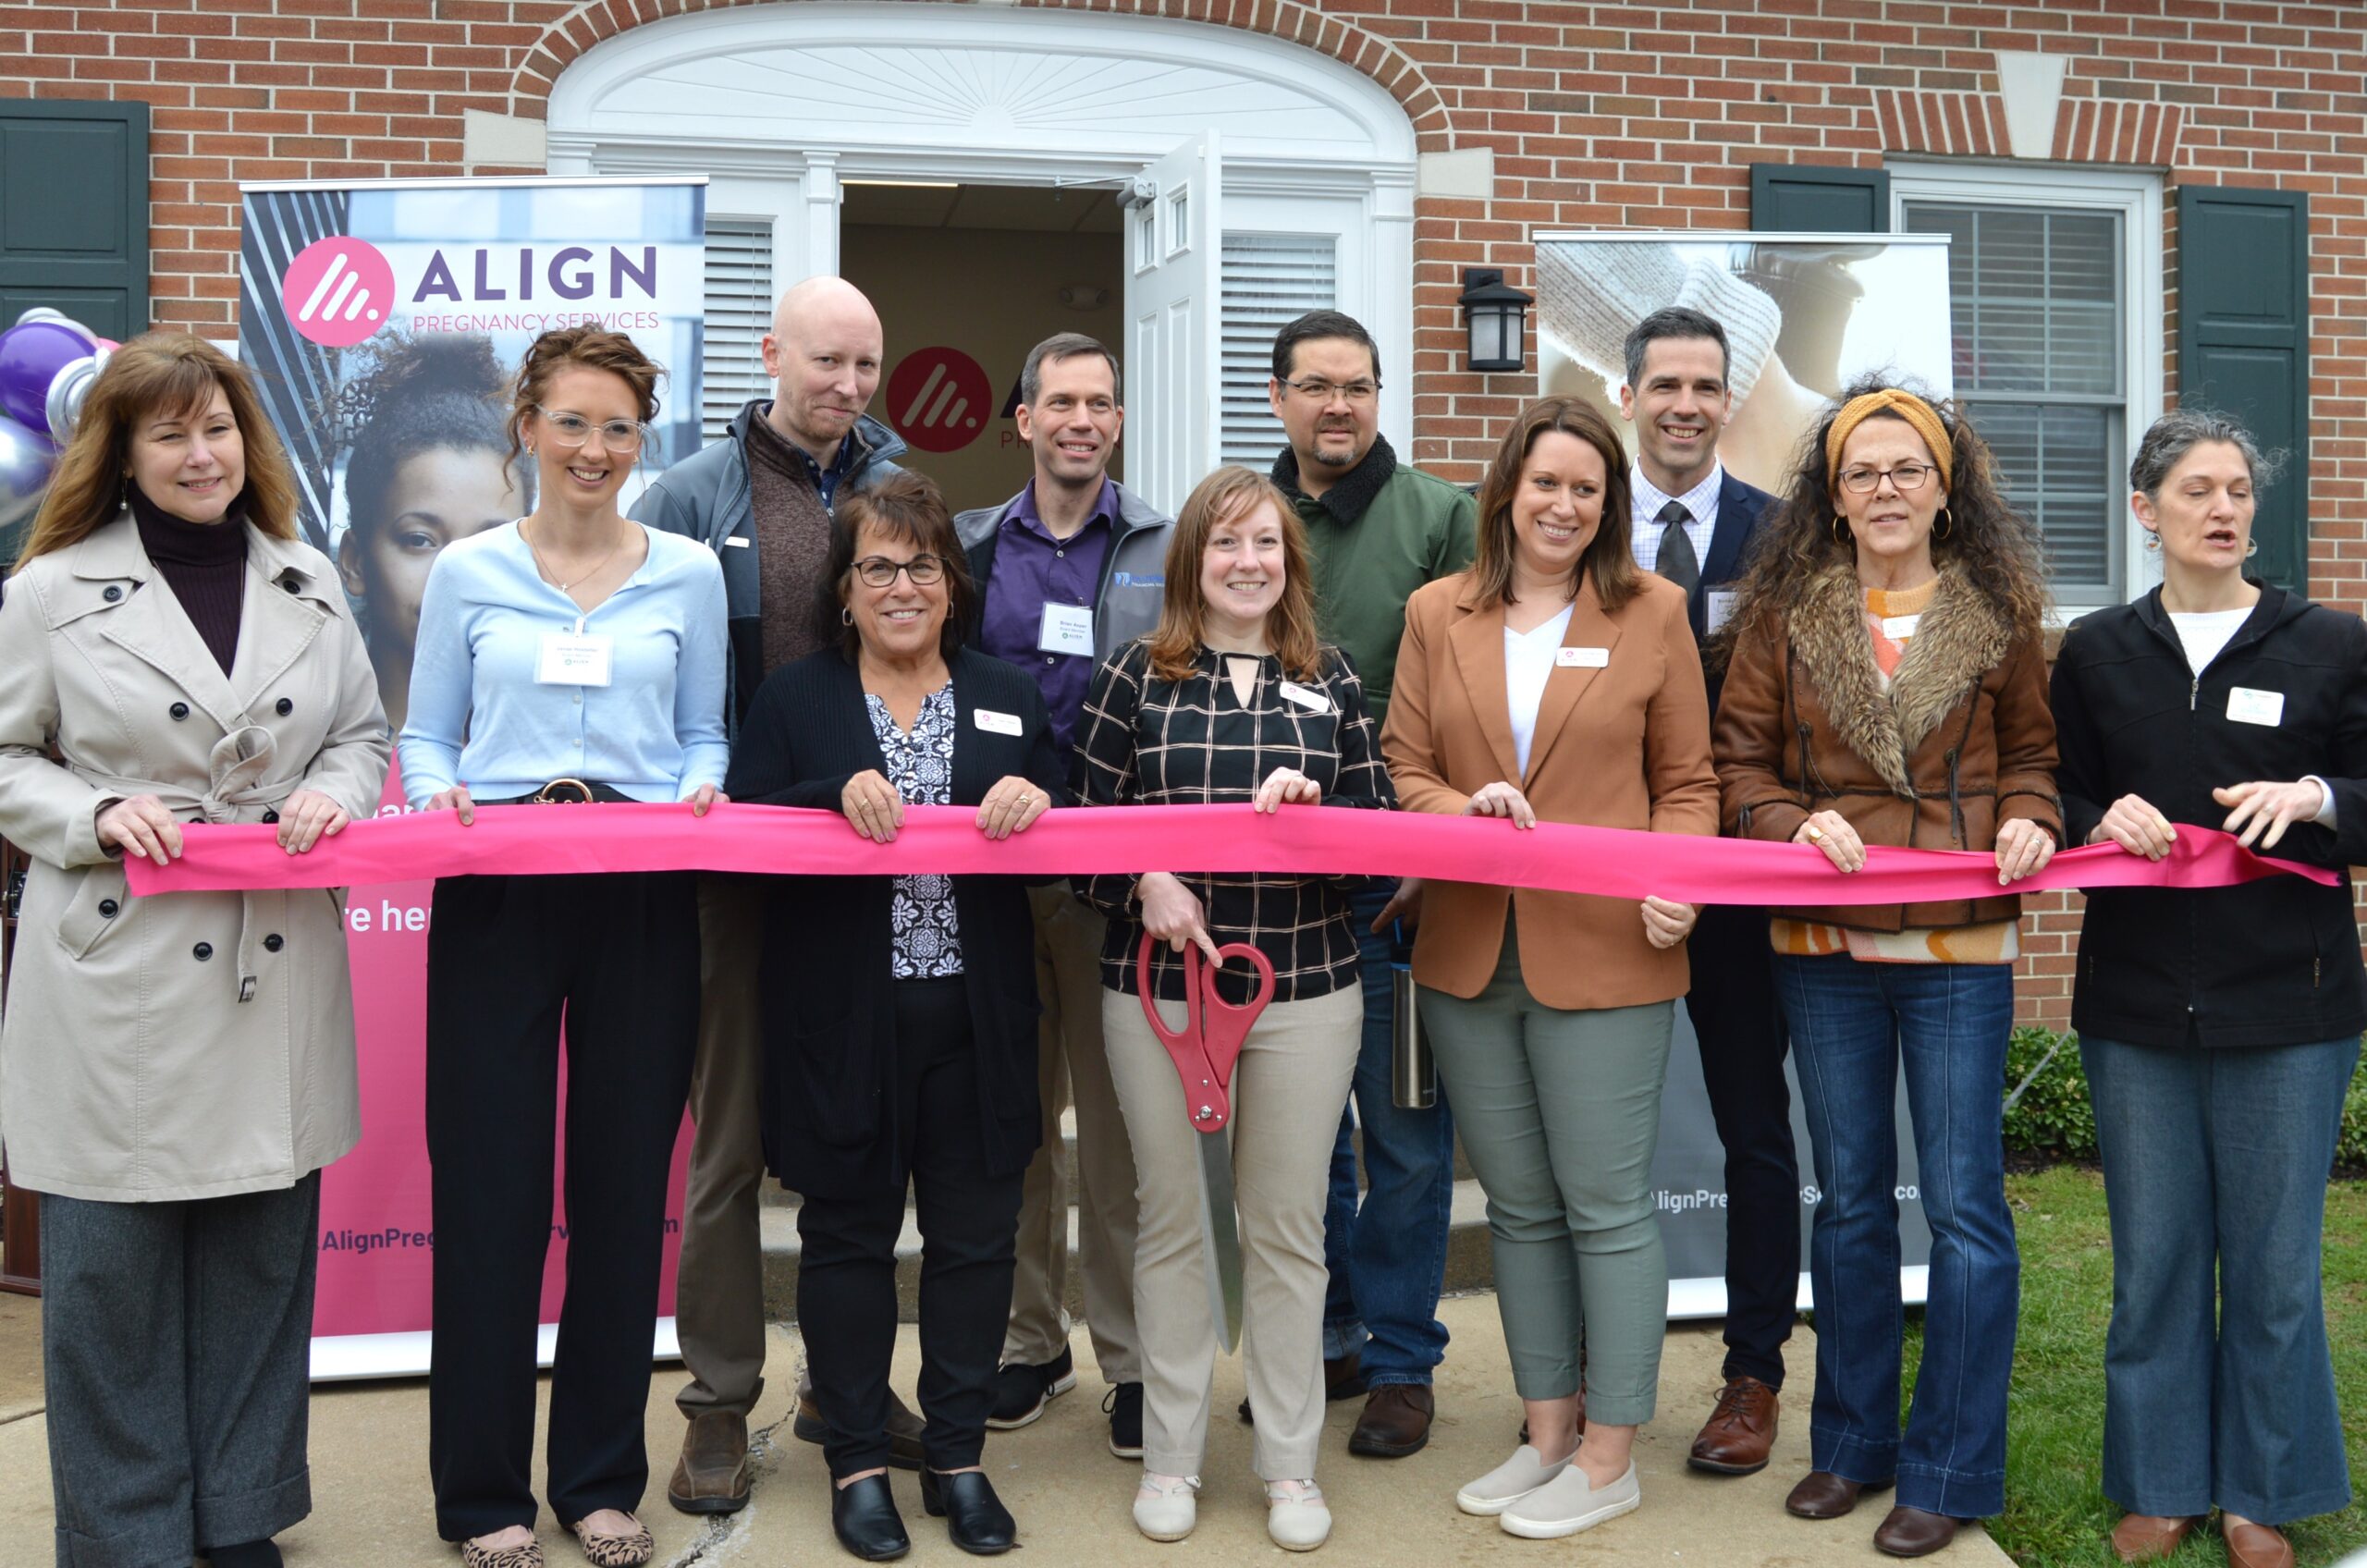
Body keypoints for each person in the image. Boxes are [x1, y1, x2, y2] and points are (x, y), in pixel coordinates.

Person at [0, 331, 390, 1568]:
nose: (199, 453)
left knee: (257, 1264)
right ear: (120, 453)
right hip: (117, 963)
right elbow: (4, 759)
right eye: (168, 433)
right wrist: (93, 813)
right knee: (111, 1276)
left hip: (270, 961)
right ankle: (127, 1533)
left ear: (246, 441)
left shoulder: (306, 578)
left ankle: (239, 1511)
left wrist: (335, 793)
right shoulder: (49, 589)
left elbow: (363, 738)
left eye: (215, 427)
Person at [400, 325, 729, 1568]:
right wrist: (435, 795)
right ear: (528, 427)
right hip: (501, 890)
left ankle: (597, 1479)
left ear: (644, 440)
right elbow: (427, 736)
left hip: (641, 889)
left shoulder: (688, 573)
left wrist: (698, 785)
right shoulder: (470, 571)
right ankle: (482, 1494)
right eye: (574, 422)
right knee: (490, 1195)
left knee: (622, 1192)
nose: (596, 448)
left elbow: (705, 733)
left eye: (619, 428)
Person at [1714, 380, 2060, 1559]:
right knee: (1851, 1197)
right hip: (1824, 940)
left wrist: (2029, 818)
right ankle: (1851, 1442)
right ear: (1832, 496)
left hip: (1958, 940)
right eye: (1859, 472)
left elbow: (2034, 757)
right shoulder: (1782, 616)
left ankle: (1949, 1467)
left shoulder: (1997, 614)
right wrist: (1789, 822)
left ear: (1944, 488)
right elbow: (1737, 766)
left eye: (1906, 467)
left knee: (1963, 1207)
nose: (1883, 489)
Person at [1381, 397, 1716, 1538]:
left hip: (1610, 948)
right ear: (1505, 494)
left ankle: (1611, 1453)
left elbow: (1688, 783)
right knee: (1520, 1209)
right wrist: (1460, 809)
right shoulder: (1437, 611)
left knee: (1605, 1207)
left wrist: (1678, 879)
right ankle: (1547, 1432)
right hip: (1469, 950)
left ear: (1608, 504)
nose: (1563, 506)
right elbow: (1402, 768)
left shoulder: (1652, 609)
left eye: (1586, 488)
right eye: (1545, 484)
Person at [725, 472, 1064, 1562]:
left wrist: (1038, 801)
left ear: (951, 583)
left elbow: (1066, 821)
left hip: (979, 1022)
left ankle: (957, 1458)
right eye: (877, 565)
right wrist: (824, 797)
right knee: (846, 1243)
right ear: (844, 588)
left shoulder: (1006, 692)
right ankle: (859, 1461)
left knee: (975, 1243)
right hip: (842, 1024)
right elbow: (742, 832)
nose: (901, 585)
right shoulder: (796, 699)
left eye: (921, 565)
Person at [2051, 410, 2365, 1568]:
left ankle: (2261, 1494)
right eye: (2196, 490)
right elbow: (2055, 795)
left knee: (2275, 1268)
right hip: (2135, 1002)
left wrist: (2317, 797)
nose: (2222, 508)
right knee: (2156, 1259)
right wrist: (2099, 818)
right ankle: (2161, 1479)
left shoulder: (2328, 643)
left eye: (2237, 488)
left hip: (2290, 1001)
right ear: (2146, 511)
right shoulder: (2095, 651)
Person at [632, 276, 918, 1510]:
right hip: (737, 867)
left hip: (869, 860)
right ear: (771, 354)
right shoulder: (689, 497)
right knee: (731, 1146)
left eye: (865, 364)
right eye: (825, 361)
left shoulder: (897, 483)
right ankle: (716, 1401)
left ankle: (844, 1386)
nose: (846, 386)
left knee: (866, 1133)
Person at [1073, 464, 1396, 1551]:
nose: (1246, 562)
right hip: (1160, 995)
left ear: (1288, 562)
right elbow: (1077, 834)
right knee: (1173, 1222)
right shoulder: (1133, 677)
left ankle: (1289, 1466)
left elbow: (1376, 841)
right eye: (1225, 543)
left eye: (1264, 543)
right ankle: (1170, 1456)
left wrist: (1318, 811)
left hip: (1308, 989)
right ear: (1192, 561)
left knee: (1288, 1229)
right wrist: (1143, 880)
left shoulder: (1331, 677)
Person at [952, 332, 1172, 1452]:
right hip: (993, 877)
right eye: (1061, 402)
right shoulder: (967, 546)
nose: (1081, 420)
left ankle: (1129, 1363)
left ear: (1117, 422)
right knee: (1016, 1129)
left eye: (1100, 403)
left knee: (1122, 1136)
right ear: (1025, 421)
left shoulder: (1165, 544)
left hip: (1116, 880)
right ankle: (1028, 1345)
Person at [1266, 309, 1474, 1458]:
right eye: (1315, 386)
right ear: (1278, 398)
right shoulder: (1244, 520)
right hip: (1276, 895)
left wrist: (1435, 858)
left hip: (1397, 890)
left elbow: (1469, 698)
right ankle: (1333, 1335)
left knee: (1402, 1132)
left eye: (1356, 385)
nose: (1336, 405)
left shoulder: (1440, 518)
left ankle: (1400, 1361)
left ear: (1381, 395)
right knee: (1302, 1139)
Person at [1616, 306, 1797, 1476]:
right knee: (1597, 1137)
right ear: (1627, 395)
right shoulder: (1577, 524)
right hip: (1606, 877)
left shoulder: (1784, 537)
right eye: (1664, 384)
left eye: (1705, 386)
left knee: (1753, 1127)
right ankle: (1592, 1366)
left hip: (1737, 879)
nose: (1685, 404)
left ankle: (1753, 1371)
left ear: (1729, 401)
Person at [335, 331, 530, 732]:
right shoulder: (306, 745)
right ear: (355, 562)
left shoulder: (557, 750)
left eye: (491, 544)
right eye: (420, 540)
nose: (457, 574)